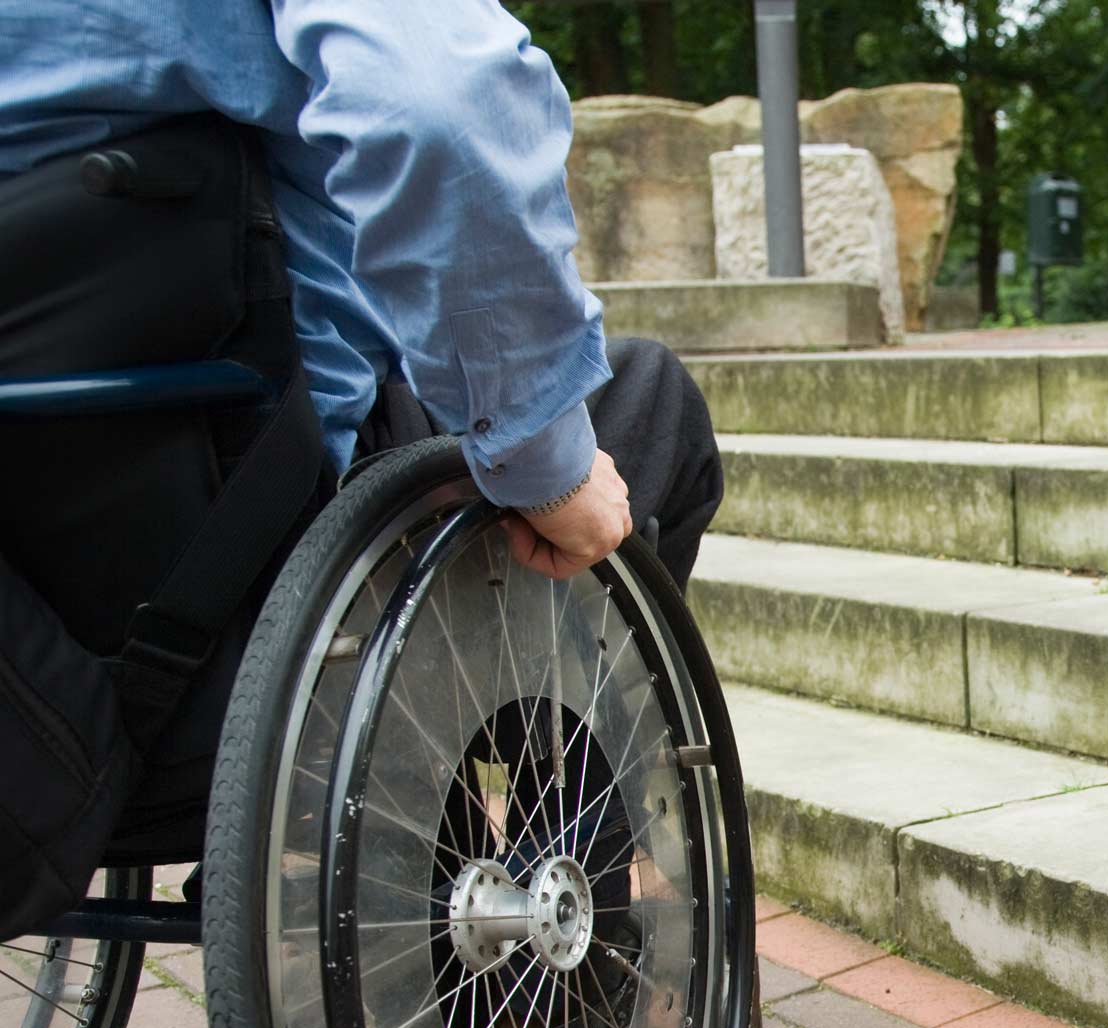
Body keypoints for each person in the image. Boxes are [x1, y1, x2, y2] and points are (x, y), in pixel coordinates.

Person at [0, 0, 723, 588]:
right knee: (650, 399)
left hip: (39, 554)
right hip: (249, 496)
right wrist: (548, 470)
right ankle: (550, 762)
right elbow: (438, 105)